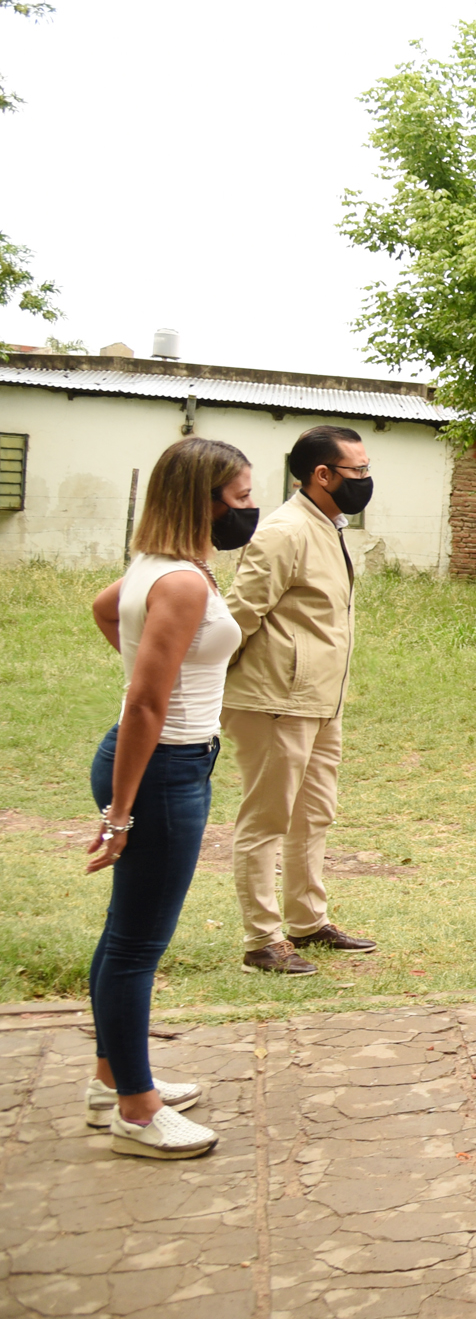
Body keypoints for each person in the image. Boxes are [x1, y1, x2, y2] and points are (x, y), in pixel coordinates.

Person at [86, 437, 258, 1158]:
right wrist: (120, 814)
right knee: (136, 944)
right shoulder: (183, 582)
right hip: (160, 770)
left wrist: (143, 653)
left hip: (167, 764)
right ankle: (135, 1110)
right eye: (241, 497)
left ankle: (111, 1077)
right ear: (203, 500)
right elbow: (145, 704)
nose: (250, 510)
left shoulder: (160, 568)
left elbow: (105, 609)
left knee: (126, 933)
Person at [221, 424, 378, 976]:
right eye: (357, 471)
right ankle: (261, 940)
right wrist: (219, 683)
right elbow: (239, 615)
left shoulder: (326, 526)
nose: (366, 479)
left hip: (318, 698)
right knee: (267, 818)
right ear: (322, 475)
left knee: (313, 814)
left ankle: (307, 920)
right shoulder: (285, 531)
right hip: (274, 699)